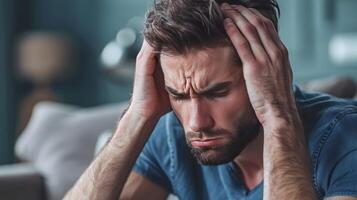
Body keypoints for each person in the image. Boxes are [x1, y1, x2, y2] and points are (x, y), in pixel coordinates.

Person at [65, 0, 357, 199]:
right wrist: (137, 116)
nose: (196, 122)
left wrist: (277, 115)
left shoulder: (346, 137)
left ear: (267, 71)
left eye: (217, 92)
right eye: (178, 95)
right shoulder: (172, 137)